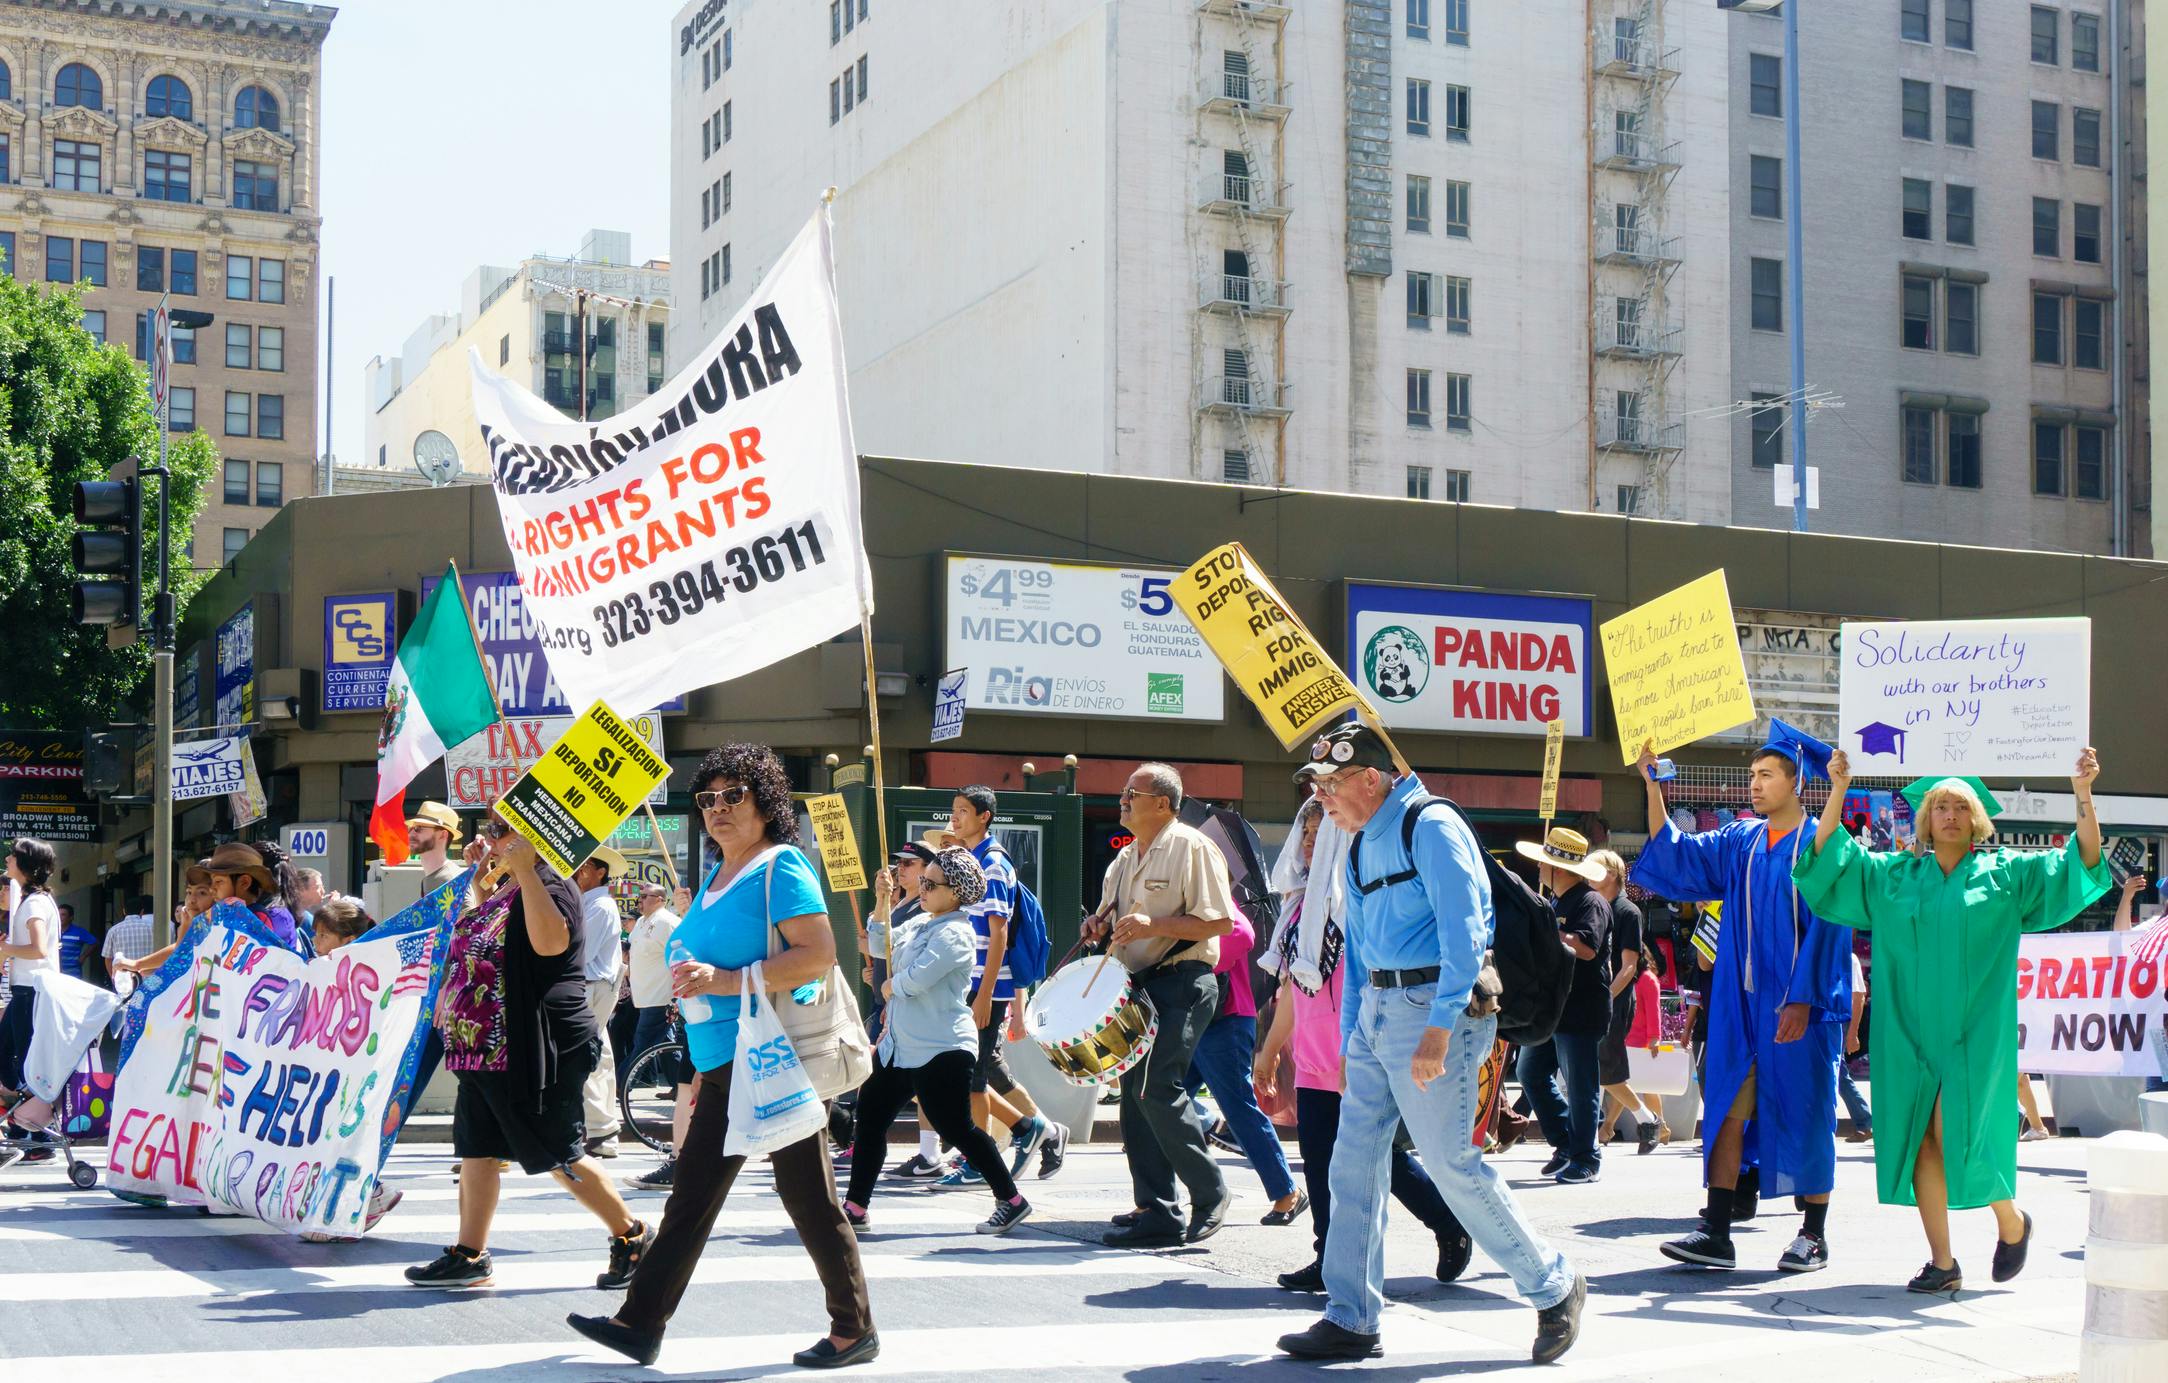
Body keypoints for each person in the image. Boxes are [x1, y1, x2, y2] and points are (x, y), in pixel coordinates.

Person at [1275, 725, 1583, 1365]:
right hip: (1378, 1017)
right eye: (1319, 788)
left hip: (1433, 1015)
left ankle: (1553, 1284)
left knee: (1451, 1165)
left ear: (1370, 778)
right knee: (1350, 1163)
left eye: (1332, 785)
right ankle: (1351, 1318)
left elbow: (1466, 938)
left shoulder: (1432, 825)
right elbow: (1360, 954)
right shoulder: (1357, 844)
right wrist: (1352, 1034)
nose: (1323, 798)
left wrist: (1440, 1031)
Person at [566, 743, 876, 1371]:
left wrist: (722, 980)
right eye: (707, 799)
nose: (718, 809)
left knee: (806, 1198)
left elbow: (818, 954)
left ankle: (853, 1327)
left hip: (768, 1060)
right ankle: (639, 1322)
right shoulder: (715, 876)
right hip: (723, 1062)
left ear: (765, 802)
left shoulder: (781, 866)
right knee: (694, 1195)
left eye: (734, 795)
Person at [1795, 752, 2110, 1294]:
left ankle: (2010, 1221)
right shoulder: (1894, 875)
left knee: (1955, 1130)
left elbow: (2082, 862)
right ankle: (1943, 1262)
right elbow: (1828, 863)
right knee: (1921, 1139)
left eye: (1959, 806)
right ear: (1925, 819)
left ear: (1977, 820)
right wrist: (1838, 791)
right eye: (1939, 806)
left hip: (1973, 1033)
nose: (1948, 814)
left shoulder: (2006, 873)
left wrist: (2082, 792)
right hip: (1907, 1034)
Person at [1632, 721, 1853, 1275]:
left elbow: (1830, 926)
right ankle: (1717, 1229)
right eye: (1751, 775)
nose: (1754, 785)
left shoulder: (1822, 844)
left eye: (1766, 775)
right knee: (1726, 1106)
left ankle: (1812, 1233)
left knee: (1806, 1111)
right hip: (1739, 1001)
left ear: (1797, 781)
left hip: (1799, 1004)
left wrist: (1804, 999)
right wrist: (1653, 786)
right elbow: (1676, 856)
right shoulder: (1742, 839)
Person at [405, 810, 652, 1291]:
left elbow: (547, 943)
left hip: (541, 1046)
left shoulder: (552, 883)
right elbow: (492, 942)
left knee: (558, 1153)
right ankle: (470, 1253)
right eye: (490, 830)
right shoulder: (508, 886)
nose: (490, 840)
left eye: (502, 831)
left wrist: (521, 870)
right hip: (490, 1049)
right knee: (477, 1149)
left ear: (535, 840)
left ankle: (632, 1235)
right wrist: (482, 882)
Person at [1256, 798, 1474, 1295]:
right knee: (1318, 1157)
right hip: (1312, 1052)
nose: (1312, 841)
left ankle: (1447, 1221)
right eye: (1305, 832)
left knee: (1374, 1156)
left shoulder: (1353, 895)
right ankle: (1327, 1258)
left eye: (1321, 830)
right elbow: (1293, 983)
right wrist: (1270, 1050)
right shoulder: (1299, 903)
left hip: (1355, 1044)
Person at [1080, 762, 1234, 1249]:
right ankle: (1157, 1210)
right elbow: (1112, 920)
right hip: (1136, 985)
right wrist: (1098, 929)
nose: (1122, 799)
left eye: (1132, 792)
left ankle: (1210, 1192)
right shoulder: (1124, 860)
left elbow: (1218, 923)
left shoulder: (1193, 846)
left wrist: (1153, 926)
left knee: (1155, 1088)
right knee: (1133, 1097)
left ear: (1163, 803)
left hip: (1182, 980)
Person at [842, 847, 1032, 1235]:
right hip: (901, 1046)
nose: (922, 888)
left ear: (956, 891)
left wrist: (891, 984)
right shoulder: (921, 923)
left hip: (941, 1049)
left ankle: (1011, 1200)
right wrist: (881, 899)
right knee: (871, 1119)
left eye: (930, 883)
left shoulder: (957, 933)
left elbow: (914, 980)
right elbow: (879, 946)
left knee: (959, 1129)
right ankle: (855, 1206)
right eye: (922, 881)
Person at [944, 786, 1063, 1184]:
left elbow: (998, 935)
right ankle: (1029, 1132)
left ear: (985, 817)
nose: (955, 817)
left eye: (963, 811)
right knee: (974, 1072)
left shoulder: (992, 863)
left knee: (972, 1078)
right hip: (970, 983)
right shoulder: (971, 858)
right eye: (954, 810)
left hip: (983, 987)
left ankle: (981, 1158)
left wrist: (984, 994)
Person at [1181, 905, 1306, 1224]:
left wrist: (1192, 958)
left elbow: (1242, 935)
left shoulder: (1211, 888)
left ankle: (1287, 1192)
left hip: (1227, 1018)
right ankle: (1161, 1200)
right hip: (1192, 1018)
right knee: (1163, 1099)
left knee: (1239, 1108)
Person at [1512, 828, 1612, 1184]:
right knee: (1529, 1072)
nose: (1538, 867)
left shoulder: (1590, 902)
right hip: (1553, 1008)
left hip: (1581, 1008)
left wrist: (1546, 931)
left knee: (1581, 1085)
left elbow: (1586, 948)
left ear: (1557, 867)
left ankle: (1587, 1157)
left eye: (1543, 862)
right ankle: (1566, 1143)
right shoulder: (1555, 903)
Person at [1588, 851, 1664, 1153]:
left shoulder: (1628, 912)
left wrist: (1604, 997)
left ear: (1610, 874)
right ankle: (1645, 1119)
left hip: (1614, 1001)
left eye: (1593, 869)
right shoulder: (1594, 906)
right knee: (1594, 1070)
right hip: (1593, 998)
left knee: (1604, 1071)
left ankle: (1645, 1119)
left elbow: (1629, 966)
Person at [624, 880, 693, 1190]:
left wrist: (676, 995)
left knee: (643, 1045)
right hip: (643, 995)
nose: (640, 901)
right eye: (640, 897)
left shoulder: (668, 922)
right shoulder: (641, 923)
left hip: (661, 995)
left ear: (661, 899)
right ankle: (677, 1086)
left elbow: (682, 950)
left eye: (646, 896)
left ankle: (622, 1087)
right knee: (665, 1047)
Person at [574, 846, 629, 1159]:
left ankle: (601, 1130)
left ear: (600, 872)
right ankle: (601, 1130)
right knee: (598, 1058)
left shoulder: (600, 906)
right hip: (592, 987)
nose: (578, 872)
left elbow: (580, 954)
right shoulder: (591, 903)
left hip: (591, 988)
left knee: (588, 1059)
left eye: (586, 866)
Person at [0, 838, 61, 1101]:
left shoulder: (35, 903)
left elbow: (39, 950)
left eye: (12, 855)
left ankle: (33, 1125)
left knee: (25, 1058)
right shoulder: (36, 900)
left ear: (25, 863)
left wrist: (7, 950)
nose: (7, 859)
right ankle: (25, 1118)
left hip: (31, 992)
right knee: (13, 1054)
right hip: (27, 992)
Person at [1838, 947, 1873, 1143]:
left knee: (1839, 1075)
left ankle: (1865, 1121)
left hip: (1839, 1023)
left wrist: (1852, 1033)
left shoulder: (1849, 959)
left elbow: (1858, 996)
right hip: (1831, 1023)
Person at [408, 802, 469, 893]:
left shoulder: (451, 879)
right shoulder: (437, 876)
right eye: (410, 828)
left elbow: (471, 908)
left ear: (442, 835)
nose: (410, 834)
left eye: (418, 828)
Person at [100, 894, 155, 990]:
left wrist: (113, 978)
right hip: (150, 980)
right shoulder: (153, 928)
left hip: (123, 983)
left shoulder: (114, 930)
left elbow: (108, 958)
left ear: (124, 911)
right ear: (142, 911)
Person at [55, 904, 96, 983]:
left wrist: (83, 957)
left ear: (71, 917)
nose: (59, 917)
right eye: (58, 914)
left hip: (73, 974)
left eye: (63, 915)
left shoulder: (79, 931)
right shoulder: (52, 930)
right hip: (55, 973)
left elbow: (95, 943)